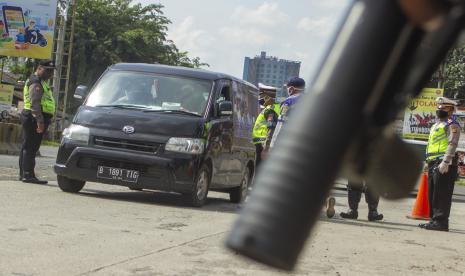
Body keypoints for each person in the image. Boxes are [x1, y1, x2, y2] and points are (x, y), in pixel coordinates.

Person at [265, 77, 336, 218]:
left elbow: (280, 124)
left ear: (291, 89)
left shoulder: (288, 102)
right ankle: (327, 198)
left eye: (287, 87)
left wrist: (271, 145)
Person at [419, 96, 461, 232]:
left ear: (451, 110)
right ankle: (434, 220)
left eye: (443, 107)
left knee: (441, 193)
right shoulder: (436, 124)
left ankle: (441, 222)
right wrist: (427, 162)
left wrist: (446, 161)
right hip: (433, 162)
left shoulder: (452, 124)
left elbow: (452, 143)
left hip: (444, 162)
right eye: (438, 107)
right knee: (432, 193)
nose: (439, 109)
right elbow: (430, 144)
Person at [19, 59, 56, 184]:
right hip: (34, 117)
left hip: (33, 117)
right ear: (39, 68)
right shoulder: (36, 82)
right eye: (48, 71)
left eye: (52, 71)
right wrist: (40, 121)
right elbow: (35, 104)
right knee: (31, 147)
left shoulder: (41, 81)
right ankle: (28, 175)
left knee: (27, 146)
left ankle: (25, 173)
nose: (50, 74)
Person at [252, 83, 280, 169]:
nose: (259, 99)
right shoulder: (271, 109)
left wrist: (266, 149)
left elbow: (271, 129)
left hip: (263, 145)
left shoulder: (270, 111)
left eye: (261, 96)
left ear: (267, 97)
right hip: (261, 145)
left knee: (259, 171)